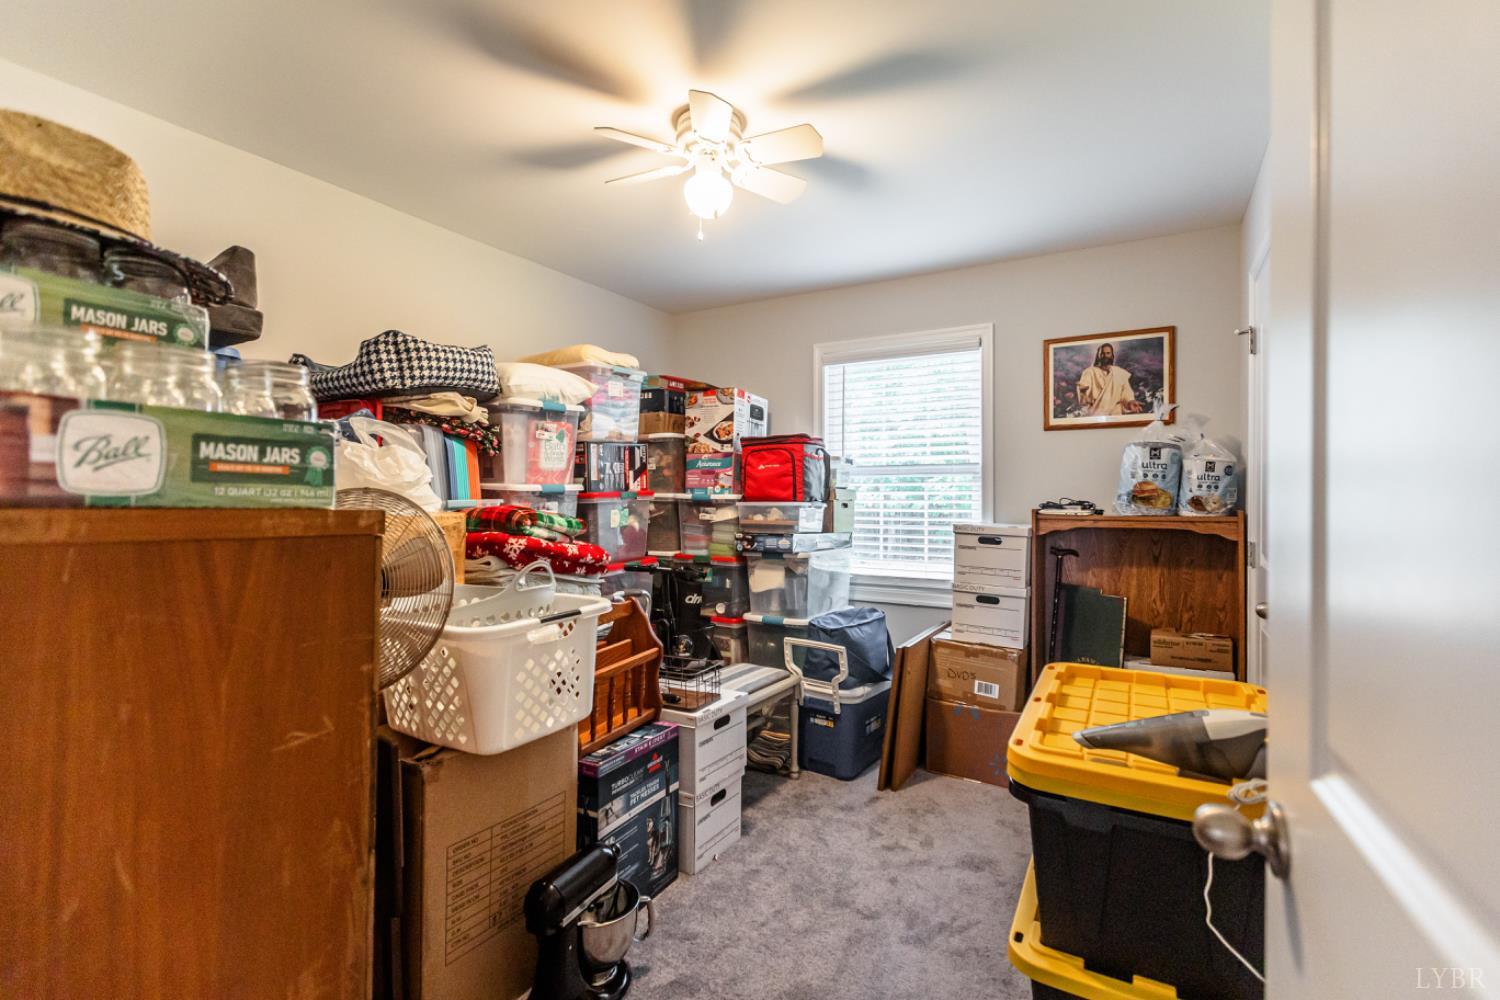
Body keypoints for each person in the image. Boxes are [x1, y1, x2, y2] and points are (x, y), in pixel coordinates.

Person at [1075, 342, 1138, 416]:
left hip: (1116, 414)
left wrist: (1130, 402)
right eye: (1102, 353)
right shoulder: (1089, 372)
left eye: (1108, 353)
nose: (1105, 356)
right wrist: (1083, 392)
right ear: (1098, 355)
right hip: (1097, 414)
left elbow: (1126, 392)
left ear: (1112, 355)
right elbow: (1084, 401)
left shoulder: (1119, 372)